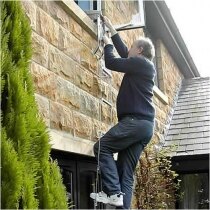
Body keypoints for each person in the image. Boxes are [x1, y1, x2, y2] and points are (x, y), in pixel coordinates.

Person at [90, 16, 156, 209]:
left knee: (101, 147)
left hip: (135, 122)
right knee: (125, 173)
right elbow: (123, 53)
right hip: (144, 126)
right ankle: (118, 198)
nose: (129, 50)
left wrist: (106, 41)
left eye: (132, 47)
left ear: (140, 50)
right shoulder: (142, 66)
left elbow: (112, 62)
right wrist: (112, 29)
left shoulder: (142, 64)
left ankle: (113, 192)